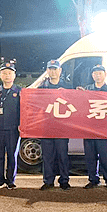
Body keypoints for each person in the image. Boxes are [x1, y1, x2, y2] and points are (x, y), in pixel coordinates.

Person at [78, 65, 107, 190]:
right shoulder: (87, 90)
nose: (98, 76)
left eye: (100, 73)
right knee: (90, 157)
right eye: (95, 73)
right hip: (89, 130)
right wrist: (77, 94)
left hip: (104, 131)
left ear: (105, 75)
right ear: (92, 75)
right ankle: (93, 179)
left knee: (106, 157)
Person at [0, 62, 21, 191]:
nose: (7, 75)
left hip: (13, 128)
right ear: (0, 75)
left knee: (12, 155)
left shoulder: (19, 91)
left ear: (14, 75)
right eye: (4, 73)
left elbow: (24, 110)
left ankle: (10, 181)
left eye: (10, 73)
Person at [39, 59, 71, 190]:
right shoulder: (42, 87)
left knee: (62, 155)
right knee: (47, 156)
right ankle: (48, 181)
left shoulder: (67, 86)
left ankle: (64, 180)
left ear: (60, 71)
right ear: (47, 71)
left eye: (55, 69)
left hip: (62, 128)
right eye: (50, 69)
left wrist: (71, 93)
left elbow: (76, 103)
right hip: (46, 127)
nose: (53, 72)